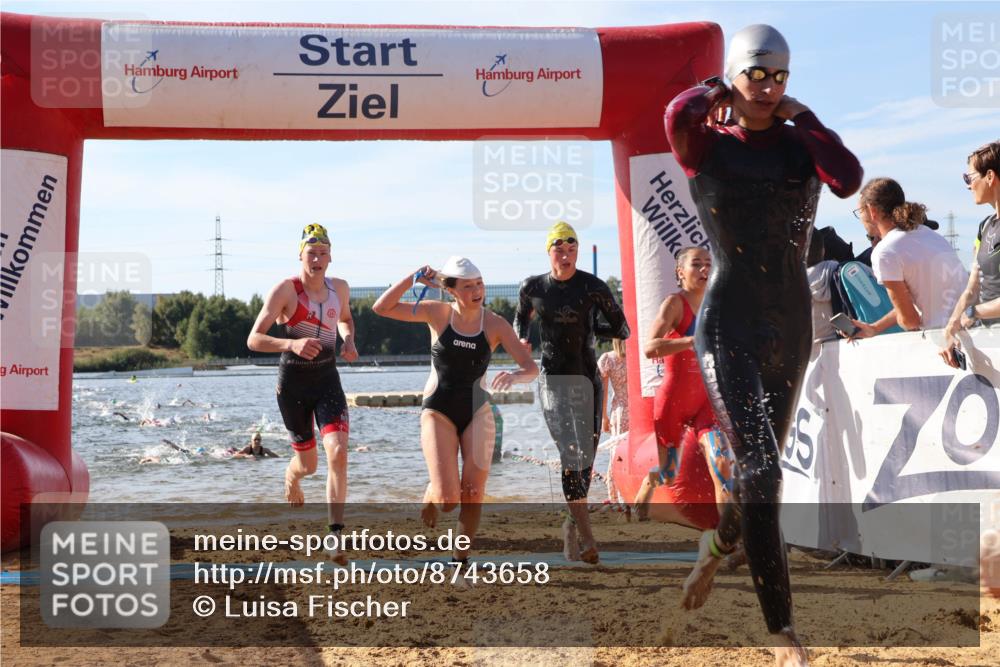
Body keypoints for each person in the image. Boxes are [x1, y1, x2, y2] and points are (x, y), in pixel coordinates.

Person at [665, 24, 863, 665]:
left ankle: (715, 551)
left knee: (760, 479)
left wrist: (804, 115)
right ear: (736, 75)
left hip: (789, 323)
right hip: (727, 321)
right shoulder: (707, 146)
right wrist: (712, 88)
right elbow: (676, 113)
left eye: (781, 77)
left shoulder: (800, 145)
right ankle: (783, 636)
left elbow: (850, 177)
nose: (770, 88)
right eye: (758, 75)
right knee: (762, 469)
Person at [373, 256, 537, 573]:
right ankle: (433, 492)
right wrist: (412, 279)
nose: (477, 291)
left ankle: (460, 562)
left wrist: (515, 377)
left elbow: (530, 368)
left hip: (478, 409)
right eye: (468, 286)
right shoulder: (438, 312)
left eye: (480, 284)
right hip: (438, 409)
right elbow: (381, 307)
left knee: (473, 492)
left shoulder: (495, 324)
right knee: (449, 499)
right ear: (452, 290)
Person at [515, 221, 631, 564]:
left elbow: (622, 327)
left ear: (576, 251)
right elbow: (521, 319)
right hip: (553, 380)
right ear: (549, 252)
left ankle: (570, 524)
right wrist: (522, 339)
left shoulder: (593, 287)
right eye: (558, 249)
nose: (565, 256)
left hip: (587, 380)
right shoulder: (532, 287)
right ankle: (588, 537)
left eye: (571, 249)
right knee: (570, 454)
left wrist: (592, 321)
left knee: (584, 464)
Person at [247, 223, 357, 562]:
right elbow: (253, 339)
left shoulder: (340, 288)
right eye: (312, 252)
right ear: (301, 255)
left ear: (330, 257)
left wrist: (349, 339)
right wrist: (291, 342)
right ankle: (292, 477)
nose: (317, 258)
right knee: (308, 466)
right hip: (293, 383)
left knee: (337, 452)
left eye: (323, 253)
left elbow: (347, 319)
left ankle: (335, 534)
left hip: (327, 379)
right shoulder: (286, 291)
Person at [633, 247, 731, 523]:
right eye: (696, 264)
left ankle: (728, 536)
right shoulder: (674, 304)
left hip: (705, 403)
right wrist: (690, 341)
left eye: (708, 264)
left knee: (722, 463)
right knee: (668, 472)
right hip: (673, 403)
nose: (704, 270)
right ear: (680, 272)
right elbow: (650, 348)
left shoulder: (717, 304)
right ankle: (649, 484)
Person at [846, 178, 967, 338]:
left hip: (945, 339)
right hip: (973, 328)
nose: (860, 218)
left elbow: (910, 320)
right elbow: (921, 299)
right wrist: (875, 328)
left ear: (871, 211)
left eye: (859, 212)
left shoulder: (885, 251)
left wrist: (904, 321)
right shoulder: (928, 234)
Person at [941, 141, 1000, 367]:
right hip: (990, 341)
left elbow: (973, 305)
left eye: (969, 178)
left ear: (990, 176)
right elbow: (972, 288)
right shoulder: (985, 226)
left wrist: (974, 312)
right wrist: (951, 328)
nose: (968, 186)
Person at [598, 337, 629, 504]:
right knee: (631, 453)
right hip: (638, 409)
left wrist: (603, 416)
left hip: (620, 411)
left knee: (616, 454)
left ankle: (615, 497)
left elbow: (602, 392)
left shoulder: (608, 359)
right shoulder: (636, 356)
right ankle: (629, 494)